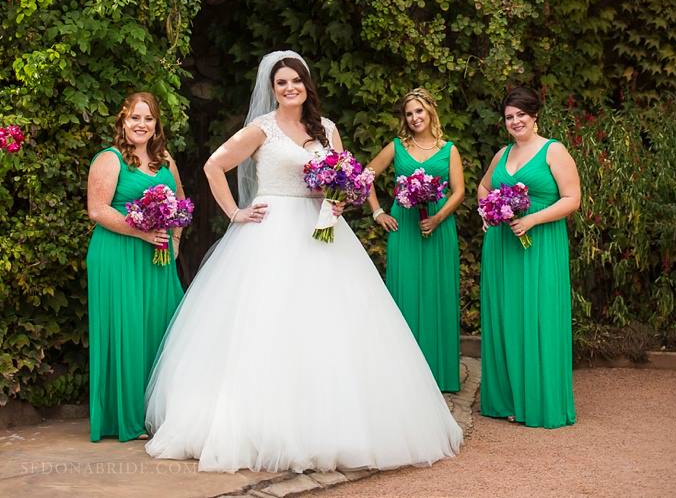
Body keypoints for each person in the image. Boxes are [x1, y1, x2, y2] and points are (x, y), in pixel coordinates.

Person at [145, 52, 462, 473]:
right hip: (270, 232)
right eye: (281, 83)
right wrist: (236, 213)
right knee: (268, 323)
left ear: (306, 85)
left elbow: (345, 179)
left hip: (323, 231)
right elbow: (213, 165)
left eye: (296, 81)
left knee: (333, 325)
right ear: (272, 90)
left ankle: (337, 424)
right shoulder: (261, 129)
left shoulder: (327, 129)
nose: (290, 88)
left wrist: (340, 197)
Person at [477, 86, 580, 428]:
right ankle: (507, 398)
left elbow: (572, 199)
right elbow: (483, 187)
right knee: (508, 317)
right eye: (509, 117)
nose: (516, 121)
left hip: (541, 244)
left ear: (534, 116)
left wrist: (533, 218)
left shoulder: (554, 151)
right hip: (502, 246)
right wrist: (486, 212)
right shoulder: (502, 154)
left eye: (521, 114)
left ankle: (537, 401)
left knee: (539, 316)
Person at [86, 92, 185, 441]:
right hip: (118, 254)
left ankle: (158, 413)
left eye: (148, 119)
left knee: (163, 327)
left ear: (156, 125)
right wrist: (142, 233)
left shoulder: (165, 160)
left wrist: (173, 242)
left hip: (157, 258)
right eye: (134, 119)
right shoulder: (110, 159)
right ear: (122, 122)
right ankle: (124, 417)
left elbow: (181, 205)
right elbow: (98, 210)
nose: (141, 125)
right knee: (126, 329)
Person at [367, 88, 464, 392]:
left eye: (419, 111)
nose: (414, 118)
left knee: (439, 294)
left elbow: (459, 192)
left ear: (431, 111)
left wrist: (437, 218)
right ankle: (404, 377)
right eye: (409, 113)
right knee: (405, 292)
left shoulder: (449, 149)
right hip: (405, 228)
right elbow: (365, 175)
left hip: (439, 227)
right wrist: (378, 212)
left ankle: (439, 374)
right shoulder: (397, 147)